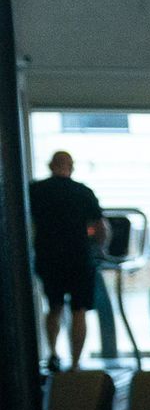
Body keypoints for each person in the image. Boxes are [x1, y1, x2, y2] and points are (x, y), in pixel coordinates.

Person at [28, 150, 107, 371]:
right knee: (79, 310)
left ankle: (53, 354)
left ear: (51, 165)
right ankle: (74, 364)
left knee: (54, 306)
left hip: (48, 257)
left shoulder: (35, 190)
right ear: (71, 167)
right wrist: (99, 250)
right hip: (79, 257)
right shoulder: (82, 192)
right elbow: (101, 228)